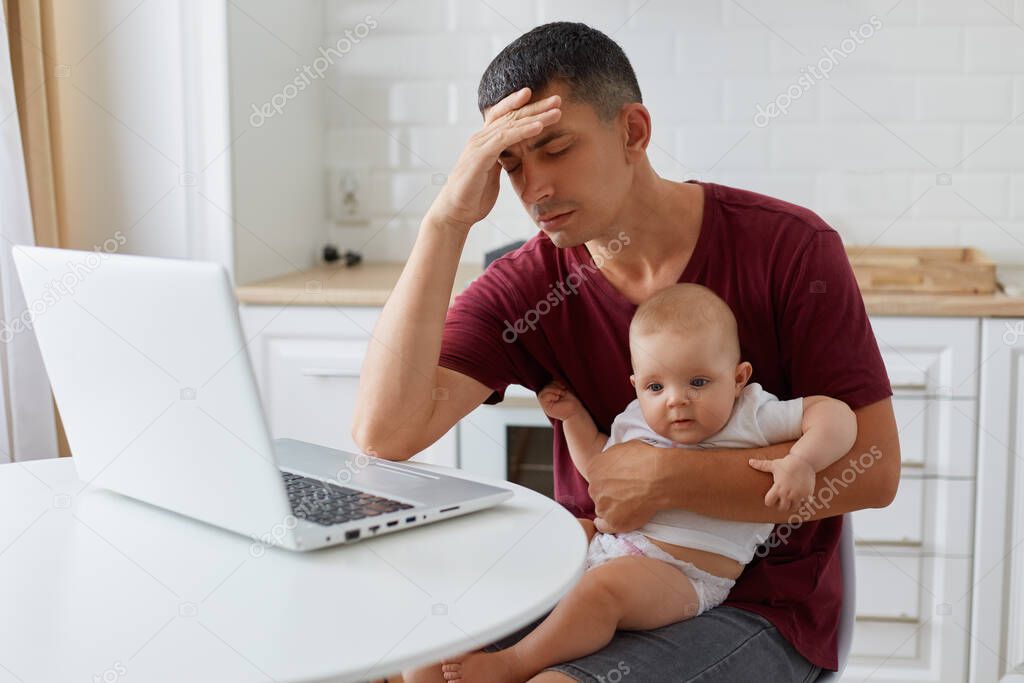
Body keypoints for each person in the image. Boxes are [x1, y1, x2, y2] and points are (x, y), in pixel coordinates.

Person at [352, 21, 900, 683]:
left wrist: (664, 480)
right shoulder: (529, 285)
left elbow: (873, 468)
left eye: (554, 148)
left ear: (632, 131)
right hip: (591, 572)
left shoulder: (789, 248)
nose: (534, 190)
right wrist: (445, 220)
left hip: (760, 605)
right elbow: (385, 434)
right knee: (403, 667)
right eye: (511, 163)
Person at [438, 283, 859, 682]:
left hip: (684, 576)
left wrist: (802, 460)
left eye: (698, 382)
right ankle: (478, 623)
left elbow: (836, 415)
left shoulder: (751, 414)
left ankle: (516, 663)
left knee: (603, 591)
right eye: (656, 386)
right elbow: (599, 470)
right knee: (560, 536)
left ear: (737, 377)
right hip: (610, 549)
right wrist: (572, 420)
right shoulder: (637, 419)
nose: (676, 399)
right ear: (636, 386)